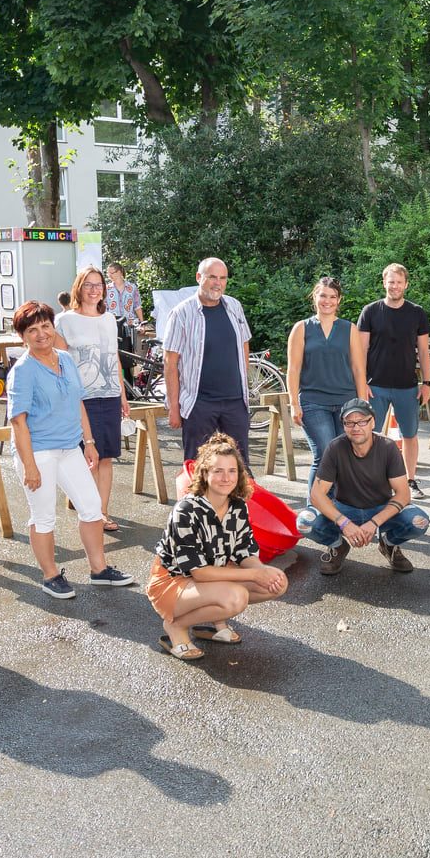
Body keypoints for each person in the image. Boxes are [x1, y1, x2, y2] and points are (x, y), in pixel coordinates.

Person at [6, 299, 133, 600]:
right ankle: (50, 576)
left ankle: (99, 570)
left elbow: (78, 402)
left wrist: (88, 443)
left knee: (91, 508)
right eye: (32, 330)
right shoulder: (23, 371)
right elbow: (18, 423)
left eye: (46, 326)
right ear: (23, 337)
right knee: (43, 516)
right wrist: (30, 467)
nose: (41, 334)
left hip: (69, 447)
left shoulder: (64, 359)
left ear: (53, 327)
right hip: (37, 452)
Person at [147, 432, 289, 660]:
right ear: (204, 473)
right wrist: (255, 574)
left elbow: (244, 552)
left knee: (276, 583)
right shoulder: (186, 510)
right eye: (218, 471)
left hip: (210, 575)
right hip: (173, 582)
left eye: (232, 471)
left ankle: (214, 624)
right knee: (235, 597)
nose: (226, 478)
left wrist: (263, 572)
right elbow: (200, 573)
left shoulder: (237, 506)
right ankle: (175, 626)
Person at [297, 398, 430, 575]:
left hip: (380, 509)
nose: (356, 427)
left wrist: (374, 523)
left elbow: (403, 494)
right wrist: (344, 523)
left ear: (373, 422)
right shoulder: (335, 448)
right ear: (344, 425)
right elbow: (316, 494)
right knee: (305, 522)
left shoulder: (388, 447)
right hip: (345, 509)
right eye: (350, 423)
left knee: (419, 521)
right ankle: (337, 546)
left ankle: (389, 545)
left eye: (362, 421)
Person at [55, 264, 127, 534]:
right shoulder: (65, 321)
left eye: (99, 285)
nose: (95, 290)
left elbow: (114, 357)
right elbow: (59, 363)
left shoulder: (109, 319)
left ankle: (102, 511)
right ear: (79, 288)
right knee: (89, 458)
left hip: (108, 395)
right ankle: (91, 511)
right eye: (89, 285)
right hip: (82, 398)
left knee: (106, 457)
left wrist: (122, 393)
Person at [352, 262, 430, 497]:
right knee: (370, 434)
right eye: (391, 282)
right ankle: (370, 480)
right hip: (375, 385)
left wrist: (426, 383)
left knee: (409, 435)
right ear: (384, 283)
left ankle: (410, 481)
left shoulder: (416, 312)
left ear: (406, 284)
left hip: (407, 386)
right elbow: (361, 351)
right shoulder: (370, 311)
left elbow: (423, 352)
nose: (395, 286)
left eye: (399, 282)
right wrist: (362, 383)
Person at [164, 256, 253, 463]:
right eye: (212, 277)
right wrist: (174, 408)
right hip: (199, 404)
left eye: (223, 278)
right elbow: (170, 364)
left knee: (240, 466)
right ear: (198, 277)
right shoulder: (181, 314)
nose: (218, 283)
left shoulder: (234, 307)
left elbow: (244, 345)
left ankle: (238, 498)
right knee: (197, 467)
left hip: (235, 402)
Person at [287, 276, 356, 468]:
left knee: (344, 457)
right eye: (323, 296)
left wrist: (361, 403)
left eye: (333, 297)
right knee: (325, 454)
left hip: (346, 401)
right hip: (313, 402)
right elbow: (293, 369)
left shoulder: (350, 329)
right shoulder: (301, 328)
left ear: (339, 300)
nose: (328, 301)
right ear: (314, 297)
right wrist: (294, 404)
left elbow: (358, 368)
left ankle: (336, 499)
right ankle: (314, 500)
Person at [105, 260, 143, 356]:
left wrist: (142, 324)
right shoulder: (106, 289)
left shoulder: (132, 288)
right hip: (112, 326)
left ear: (119, 272)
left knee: (129, 356)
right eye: (107, 273)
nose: (109, 275)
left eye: (111, 272)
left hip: (129, 327)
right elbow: (104, 308)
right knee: (114, 354)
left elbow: (137, 306)